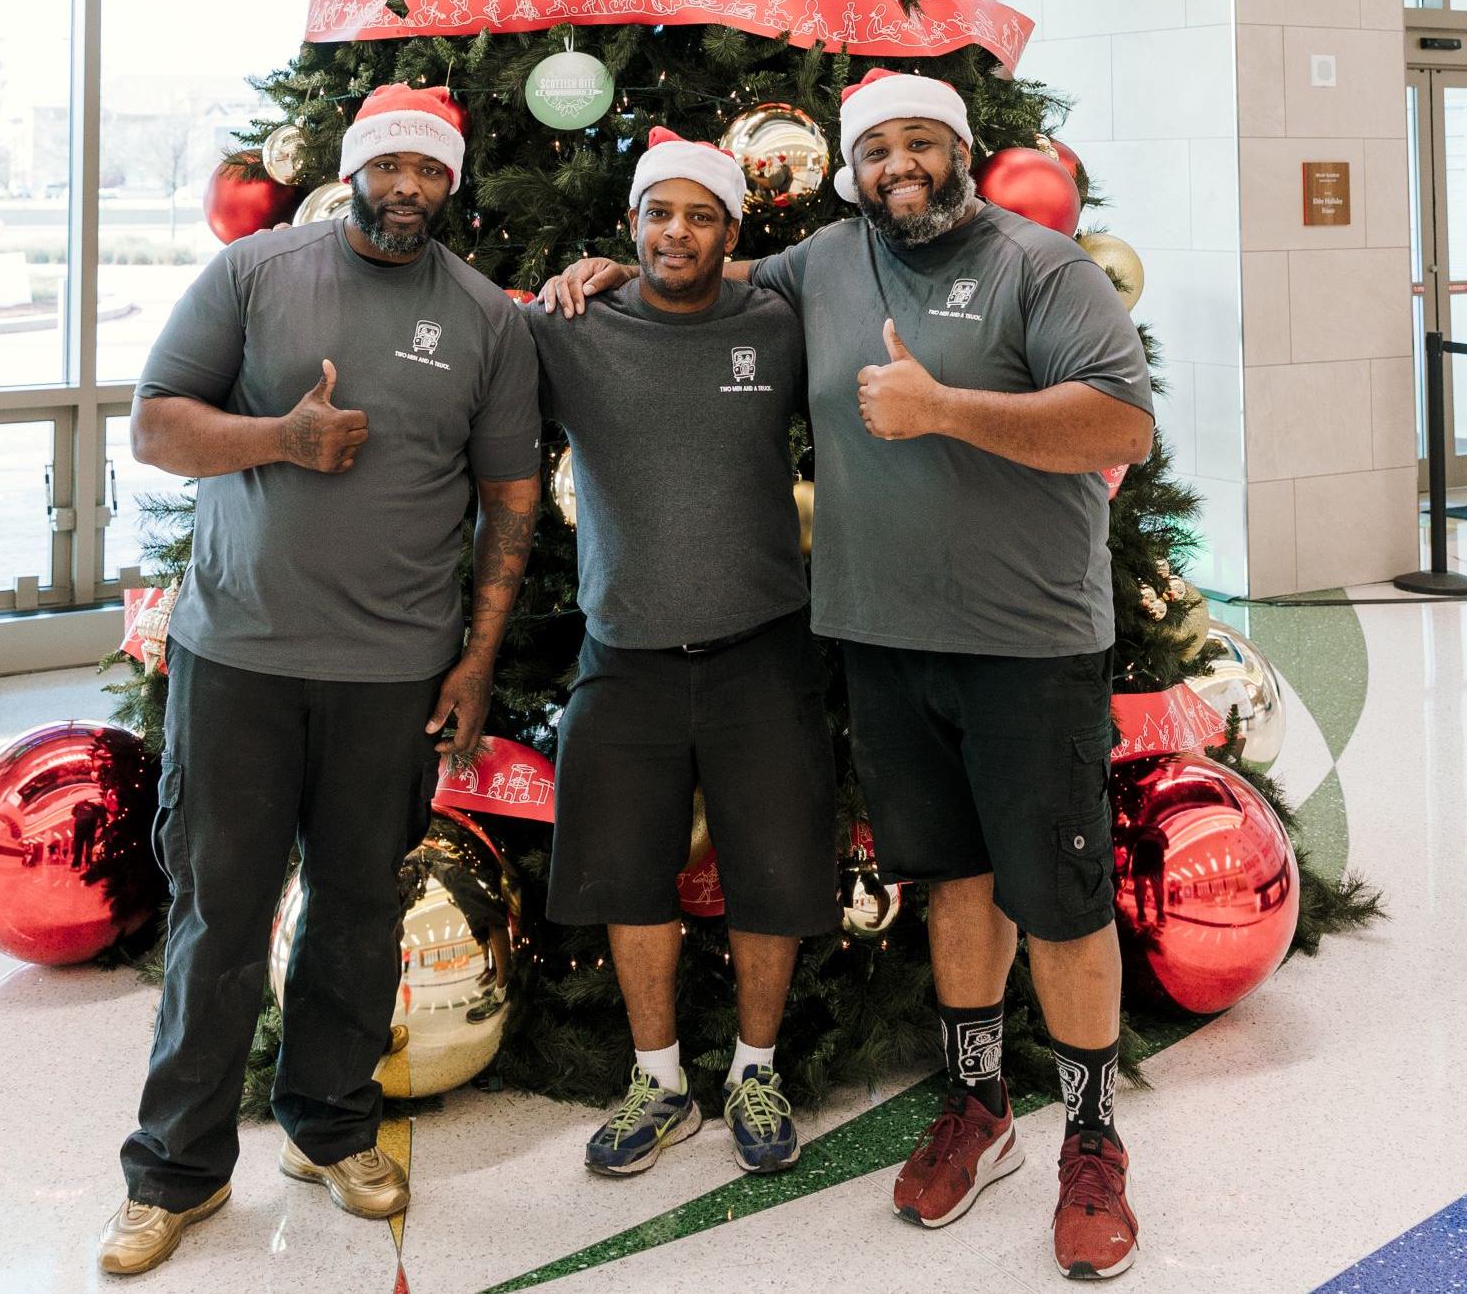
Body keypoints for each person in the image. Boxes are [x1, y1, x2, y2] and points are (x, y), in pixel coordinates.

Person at [543, 70, 1154, 1281]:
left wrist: (945, 410)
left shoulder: (1045, 266)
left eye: (922, 144)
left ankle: (1090, 1140)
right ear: (846, 169)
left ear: (962, 151)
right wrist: (602, 272)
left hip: (1027, 642)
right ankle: (978, 1111)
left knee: (1063, 897)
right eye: (875, 151)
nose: (899, 168)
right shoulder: (820, 264)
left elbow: (1119, 427)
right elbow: (698, 279)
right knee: (955, 880)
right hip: (879, 636)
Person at [100, 84, 542, 1277]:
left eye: (429, 171)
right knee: (219, 915)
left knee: (355, 916)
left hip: (390, 677)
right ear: (352, 170)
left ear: (452, 184)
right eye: (387, 165)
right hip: (236, 660)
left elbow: (509, 501)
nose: (406, 187)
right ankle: (175, 1175)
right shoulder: (255, 275)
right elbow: (154, 426)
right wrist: (279, 441)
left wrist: (476, 655)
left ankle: (331, 1126)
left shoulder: (483, 321)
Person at [529, 127, 833, 1180]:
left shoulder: (778, 325)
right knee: (625, 876)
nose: (677, 231)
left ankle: (755, 1068)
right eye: (658, 212)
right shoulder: (569, 326)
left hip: (763, 645)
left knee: (775, 867)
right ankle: (659, 1083)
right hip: (625, 653)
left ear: (731, 233)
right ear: (629, 225)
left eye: (700, 215)